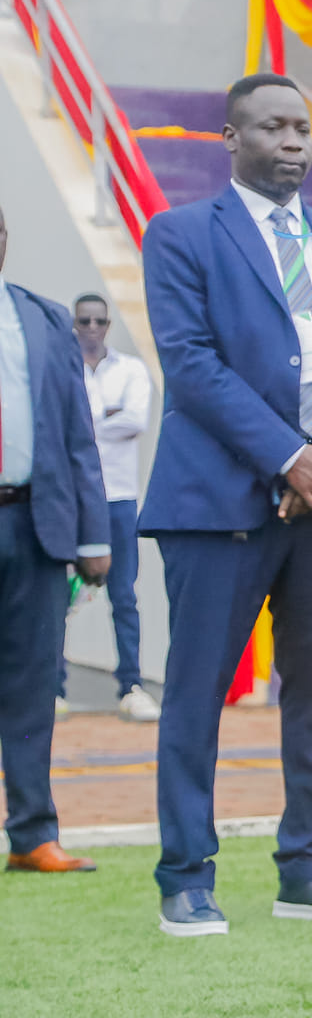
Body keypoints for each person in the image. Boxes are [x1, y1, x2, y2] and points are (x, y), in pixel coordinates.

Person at [139, 73, 312, 935]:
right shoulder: (180, 235)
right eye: (272, 127)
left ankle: (310, 867)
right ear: (231, 138)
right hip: (217, 503)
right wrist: (290, 457)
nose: (292, 142)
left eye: (301, 129)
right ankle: (185, 877)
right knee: (195, 693)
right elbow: (191, 363)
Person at [0, 207, 109, 874]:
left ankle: (32, 834)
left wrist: (93, 534)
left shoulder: (40, 319)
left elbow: (78, 437)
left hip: (32, 523)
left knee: (33, 684)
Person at [70, 293, 154, 721]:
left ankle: (131, 686)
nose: (91, 327)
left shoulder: (132, 370)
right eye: (84, 320)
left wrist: (84, 423)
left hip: (119, 498)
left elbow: (136, 420)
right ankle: (54, 688)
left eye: (98, 320)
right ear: (74, 324)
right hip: (73, 499)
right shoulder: (63, 368)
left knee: (124, 596)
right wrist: (107, 417)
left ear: (108, 325)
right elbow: (60, 423)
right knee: (59, 595)